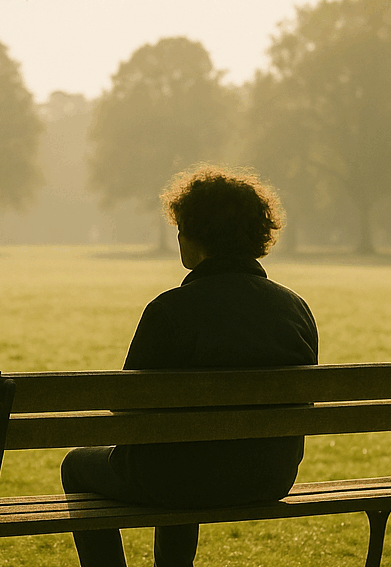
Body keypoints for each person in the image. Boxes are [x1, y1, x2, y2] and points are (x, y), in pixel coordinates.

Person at [61, 164, 318, 567]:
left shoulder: (170, 310)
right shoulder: (295, 309)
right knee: (180, 454)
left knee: (78, 465)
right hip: (269, 476)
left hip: (177, 481)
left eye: (181, 228)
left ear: (197, 237)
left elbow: (126, 411)